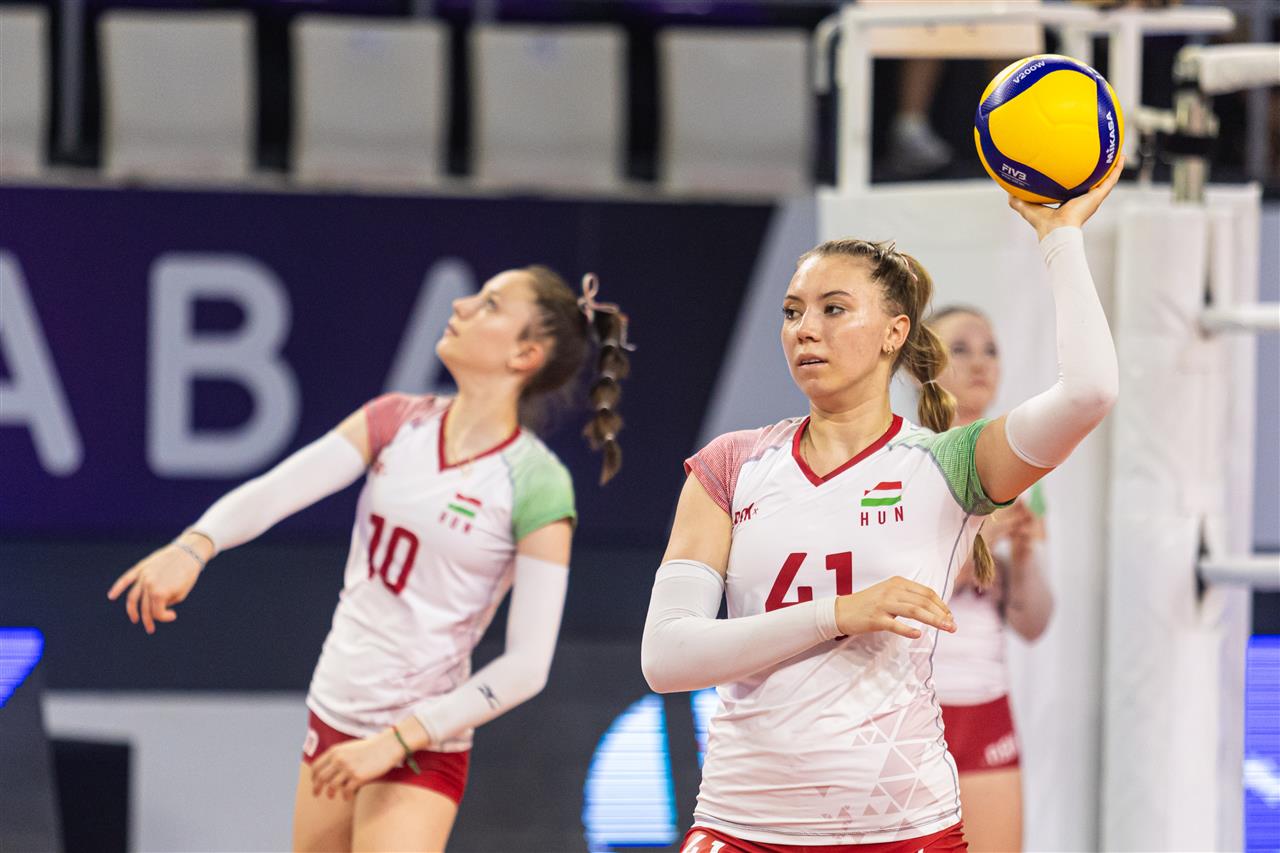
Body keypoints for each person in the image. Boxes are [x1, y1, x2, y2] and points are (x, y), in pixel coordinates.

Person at [642, 159, 1124, 852]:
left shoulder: (947, 463)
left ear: (895, 332)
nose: (805, 329)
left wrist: (1060, 237)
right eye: (792, 311)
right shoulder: (731, 463)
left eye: (833, 309)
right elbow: (666, 656)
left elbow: (1090, 393)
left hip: (902, 827)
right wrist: (838, 612)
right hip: (741, 823)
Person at [108, 267, 631, 852]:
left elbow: (527, 667)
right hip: (334, 711)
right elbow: (277, 491)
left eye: (489, 304)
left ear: (525, 354)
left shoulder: (536, 481)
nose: (460, 305)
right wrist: (194, 546)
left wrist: (397, 740)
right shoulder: (397, 420)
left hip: (421, 741)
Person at [927, 305, 1055, 853]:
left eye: (990, 350)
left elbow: (1033, 622)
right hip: (910, 706)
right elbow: (908, 593)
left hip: (986, 703)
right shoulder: (905, 460)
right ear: (923, 365)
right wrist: (986, 534)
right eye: (960, 349)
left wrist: (1021, 559)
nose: (979, 363)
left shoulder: (1023, 468)